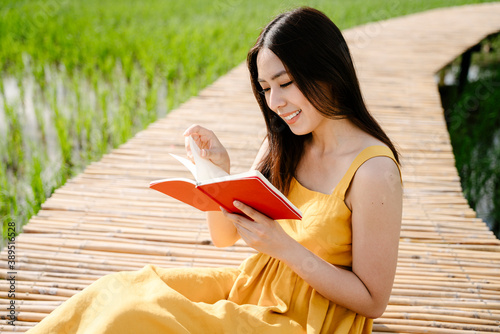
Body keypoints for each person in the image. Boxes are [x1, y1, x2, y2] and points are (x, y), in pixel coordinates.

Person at [26, 6, 402, 334]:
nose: (275, 102)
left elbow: (372, 300)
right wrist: (217, 173)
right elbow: (224, 237)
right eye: (266, 88)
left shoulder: (373, 172)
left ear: (328, 73)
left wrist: (284, 247)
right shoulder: (284, 141)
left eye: (285, 84)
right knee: (119, 289)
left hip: (306, 318)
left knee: (134, 315)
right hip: (252, 285)